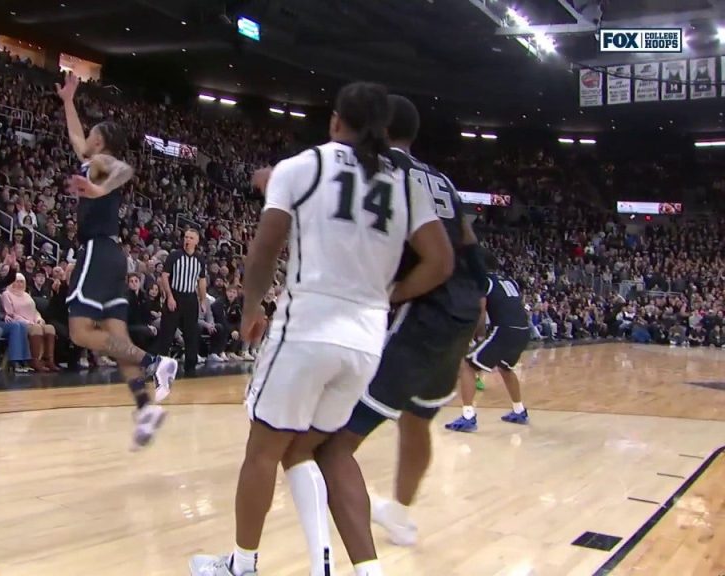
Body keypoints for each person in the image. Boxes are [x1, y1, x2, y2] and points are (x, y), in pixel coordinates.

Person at [189, 82, 454, 576]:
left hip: (307, 328)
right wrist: (390, 294)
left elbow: (267, 247)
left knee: (264, 449)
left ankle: (242, 564)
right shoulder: (404, 185)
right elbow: (440, 262)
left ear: (335, 121)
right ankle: (359, 570)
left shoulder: (304, 166)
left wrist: (250, 305)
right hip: (365, 342)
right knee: (324, 449)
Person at [314, 95, 487, 552]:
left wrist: (387, 294)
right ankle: (401, 515)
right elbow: (469, 243)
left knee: (333, 442)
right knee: (417, 420)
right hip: (459, 315)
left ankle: (338, 549)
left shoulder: (385, 169)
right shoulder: (443, 180)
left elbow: (432, 260)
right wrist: (480, 299)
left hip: (420, 314)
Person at [55, 73, 177, 449]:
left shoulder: (106, 163)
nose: (84, 137)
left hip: (96, 251)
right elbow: (77, 141)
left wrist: (94, 189)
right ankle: (145, 407)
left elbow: (119, 175)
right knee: (115, 339)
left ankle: (156, 363)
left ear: (101, 141)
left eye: (91, 133)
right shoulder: (94, 159)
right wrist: (67, 101)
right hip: (112, 255)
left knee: (79, 332)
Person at [445, 249, 532, 432]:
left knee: (468, 366)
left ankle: (468, 417)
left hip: (504, 330)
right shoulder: (510, 281)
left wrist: (478, 335)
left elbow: (481, 311)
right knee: (505, 368)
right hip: (523, 330)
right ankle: (519, 410)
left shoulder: (483, 282)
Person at [154, 228, 207, 375]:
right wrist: (169, 296)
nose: (187, 240)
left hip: (191, 298)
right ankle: (160, 368)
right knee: (167, 334)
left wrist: (202, 300)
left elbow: (201, 281)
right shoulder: (174, 256)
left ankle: (190, 367)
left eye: (191, 238)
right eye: (186, 237)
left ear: (196, 241)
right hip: (175, 295)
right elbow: (164, 276)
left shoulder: (199, 259)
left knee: (191, 334)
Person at [1, 273, 58, 372]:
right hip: (19, 323)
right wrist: (28, 322)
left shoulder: (27, 295)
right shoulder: (7, 294)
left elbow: (34, 311)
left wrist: (39, 319)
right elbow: (11, 314)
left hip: (33, 321)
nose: (19, 284)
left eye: (22, 282)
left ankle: (49, 360)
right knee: (36, 328)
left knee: (50, 328)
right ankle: (35, 360)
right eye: (17, 281)